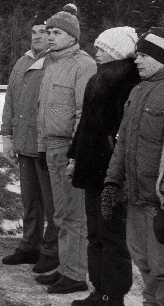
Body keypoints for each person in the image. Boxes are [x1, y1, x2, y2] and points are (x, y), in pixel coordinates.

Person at [66, 27, 139, 306]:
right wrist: (74, 156)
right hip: (91, 169)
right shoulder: (98, 78)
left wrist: (116, 172)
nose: (96, 52)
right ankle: (99, 290)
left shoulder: (128, 81)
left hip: (110, 173)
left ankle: (113, 294)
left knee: (111, 237)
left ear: (116, 50)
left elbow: (123, 131)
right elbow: (85, 125)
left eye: (102, 47)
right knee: (95, 233)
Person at [34, 4, 96, 295]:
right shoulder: (52, 63)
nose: (50, 37)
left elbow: (84, 113)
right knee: (60, 214)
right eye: (48, 32)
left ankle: (76, 273)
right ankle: (64, 266)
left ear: (72, 36)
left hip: (69, 149)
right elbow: (44, 111)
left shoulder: (83, 65)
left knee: (75, 215)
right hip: (51, 147)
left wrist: (76, 155)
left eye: (56, 32)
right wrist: (43, 146)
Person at [103, 27, 164, 305]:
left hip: (157, 202)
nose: (136, 60)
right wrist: (112, 182)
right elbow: (123, 142)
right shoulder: (138, 91)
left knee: (161, 267)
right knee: (143, 261)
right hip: (135, 197)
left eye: (142, 55)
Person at [0, 12, 59, 274]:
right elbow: (10, 100)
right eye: (33, 32)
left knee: (52, 202)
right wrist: (7, 135)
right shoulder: (22, 62)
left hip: (45, 145)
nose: (37, 37)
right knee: (30, 200)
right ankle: (29, 245)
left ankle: (51, 250)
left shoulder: (56, 63)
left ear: (52, 35)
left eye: (43, 32)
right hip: (24, 144)